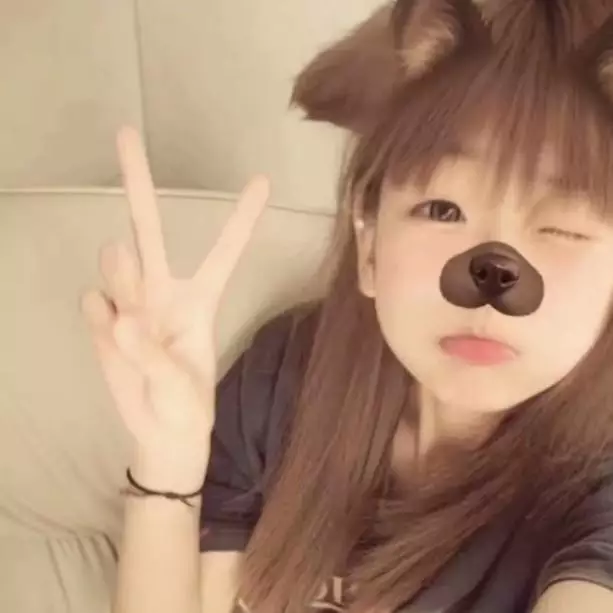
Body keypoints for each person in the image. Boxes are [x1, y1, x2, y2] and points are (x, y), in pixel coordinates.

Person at [80, 1, 613, 612]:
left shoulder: (594, 486)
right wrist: (167, 463)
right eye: (443, 209)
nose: (492, 270)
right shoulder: (286, 379)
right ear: (369, 243)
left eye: (563, 226)